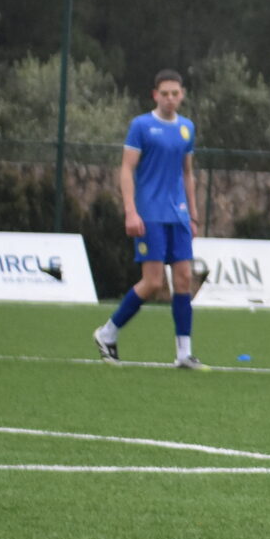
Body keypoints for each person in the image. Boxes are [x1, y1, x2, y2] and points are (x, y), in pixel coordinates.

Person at [94, 70, 204, 370]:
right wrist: (131, 211)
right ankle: (107, 333)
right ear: (155, 95)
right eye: (164, 93)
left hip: (178, 215)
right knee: (153, 282)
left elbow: (187, 173)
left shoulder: (187, 128)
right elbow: (126, 169)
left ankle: (184, 353)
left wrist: (193, 214)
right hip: (150, 214)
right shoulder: (141, 126)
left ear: (182, 95)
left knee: (184, 279)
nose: (170, 98)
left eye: (175, 93)